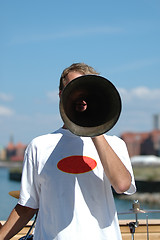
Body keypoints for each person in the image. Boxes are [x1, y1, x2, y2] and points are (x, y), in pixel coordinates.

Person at [0, 63, 136, 240]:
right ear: (61, 95)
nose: (82, 98)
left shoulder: (114, 144)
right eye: (75, 89)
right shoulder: (39, 146)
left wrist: (93, 127)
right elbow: (27, 206)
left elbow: (122, 185)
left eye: (88, 91)